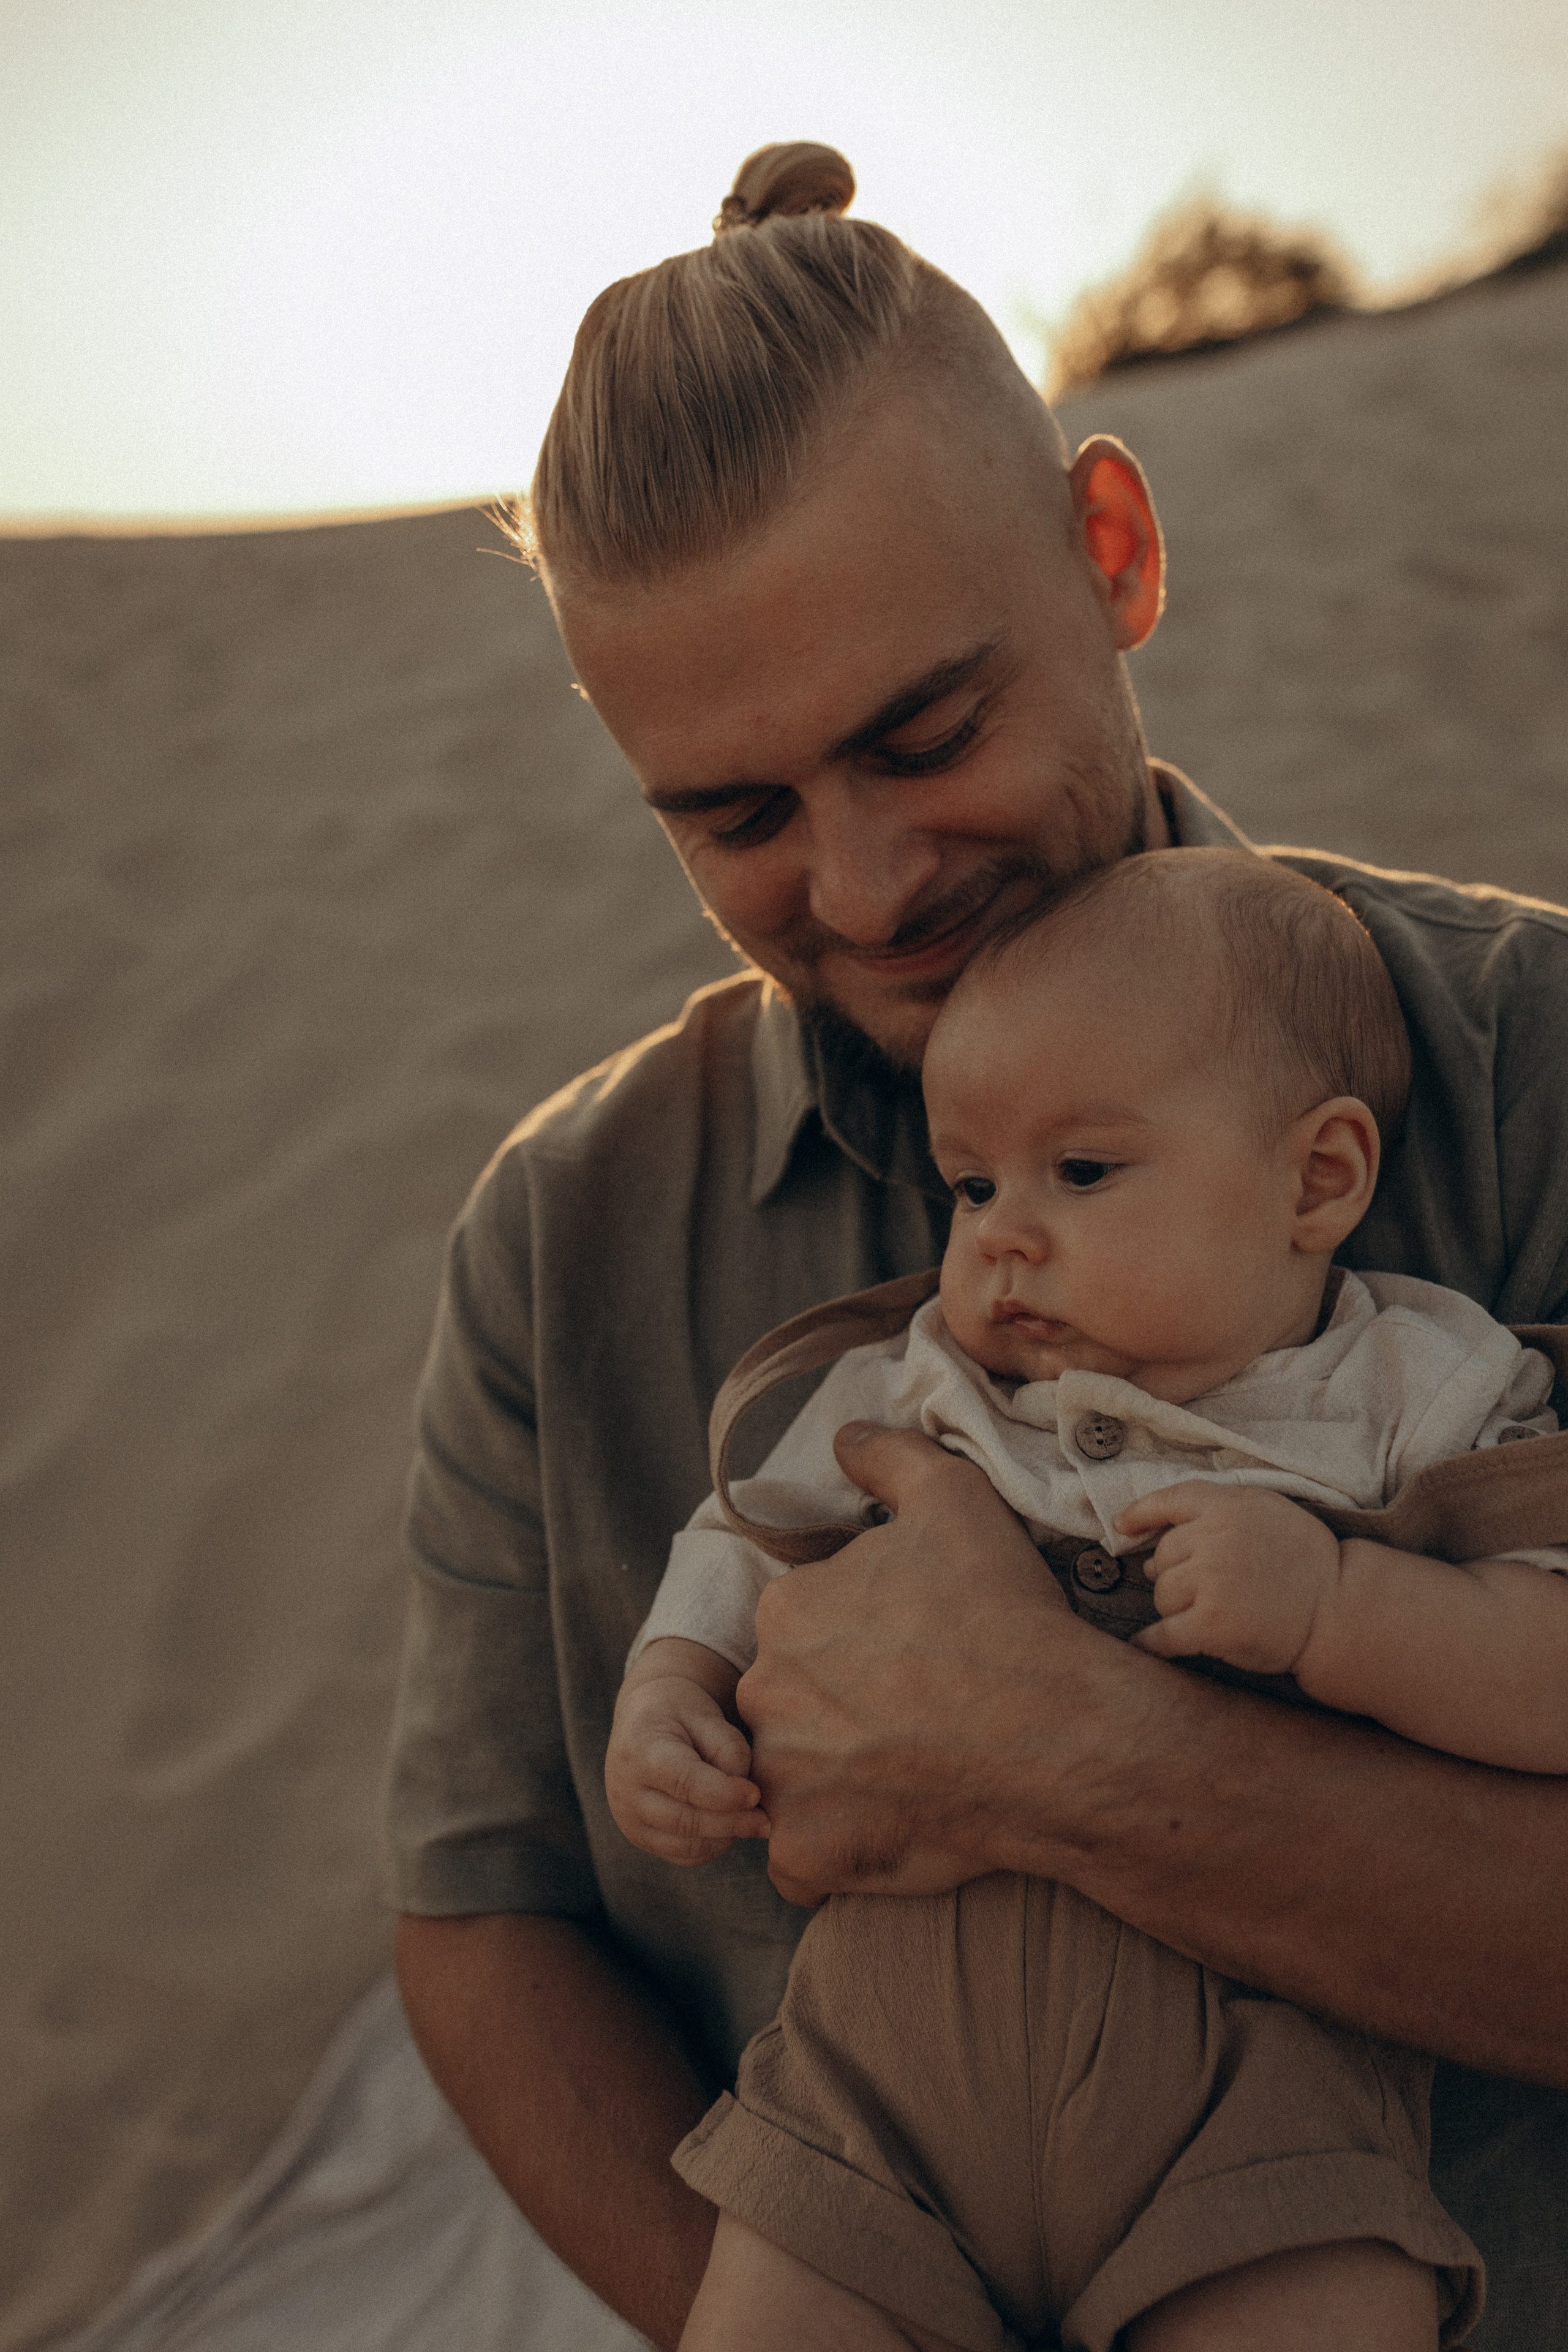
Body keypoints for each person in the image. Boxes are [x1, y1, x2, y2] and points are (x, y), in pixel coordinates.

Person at [388, 143, 1568, 2351]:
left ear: (1110, 554)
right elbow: (484, 1919)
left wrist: (1080, 1761)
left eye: (925, 736)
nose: (859, 886)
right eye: (732, 816)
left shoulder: (1531, 1066)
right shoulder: (562, 1242)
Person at [609, 848, 1568, 2350]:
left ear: (1316, 1178)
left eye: (1083, 1171)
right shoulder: (913, 1390)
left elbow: (1548, 1671)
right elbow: (739, 1540)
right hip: (875, 2107)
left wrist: (1336, 1612)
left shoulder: (1414, 1395)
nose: (999, 1235)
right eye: (972, 1183)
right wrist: (668, 1683)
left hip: (1264, 2130)